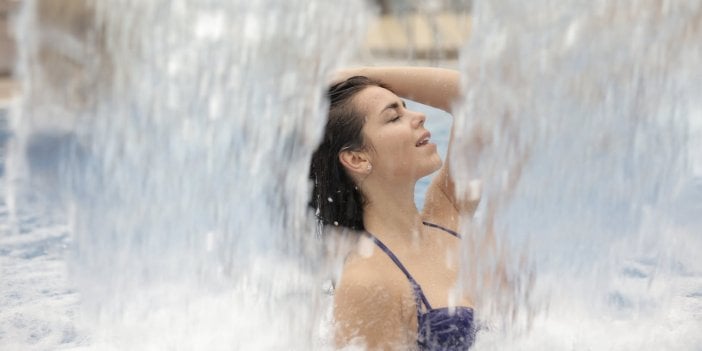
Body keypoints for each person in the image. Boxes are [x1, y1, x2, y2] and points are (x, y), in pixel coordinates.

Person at [309, 67, 479, 350]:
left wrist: (358, 73)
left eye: (406, 107)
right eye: (394, 117)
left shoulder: (448, 214)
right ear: (356, 158)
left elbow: (477, 96)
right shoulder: (368, 281)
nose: (419, 116)